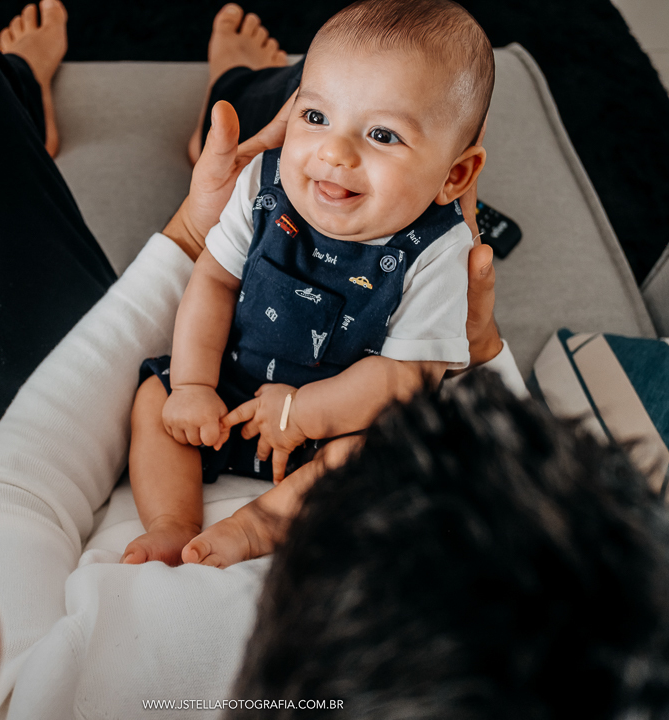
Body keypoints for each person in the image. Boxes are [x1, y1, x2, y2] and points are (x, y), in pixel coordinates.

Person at [0, 3, 669, 720]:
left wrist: (187, 246)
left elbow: (22, 479)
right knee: (320, 147)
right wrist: (479, 358)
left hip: (137, 396)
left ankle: (224, 103)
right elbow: (492, 496)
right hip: (280, 423)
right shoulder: (433, 663)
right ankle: (258, 90)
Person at [124, 0, 493, 567]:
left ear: (454, 175)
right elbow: (214, 282)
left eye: (382, 135)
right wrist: (194, 384)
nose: (334, 152)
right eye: (316, 117)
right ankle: (173, 522)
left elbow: (406, 378)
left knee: (382, 455)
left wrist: (304, 413)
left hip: (337, 424)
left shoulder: (439, 251)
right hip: (234, 387)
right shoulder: (262, 187)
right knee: (155, 396)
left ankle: (257, 526)